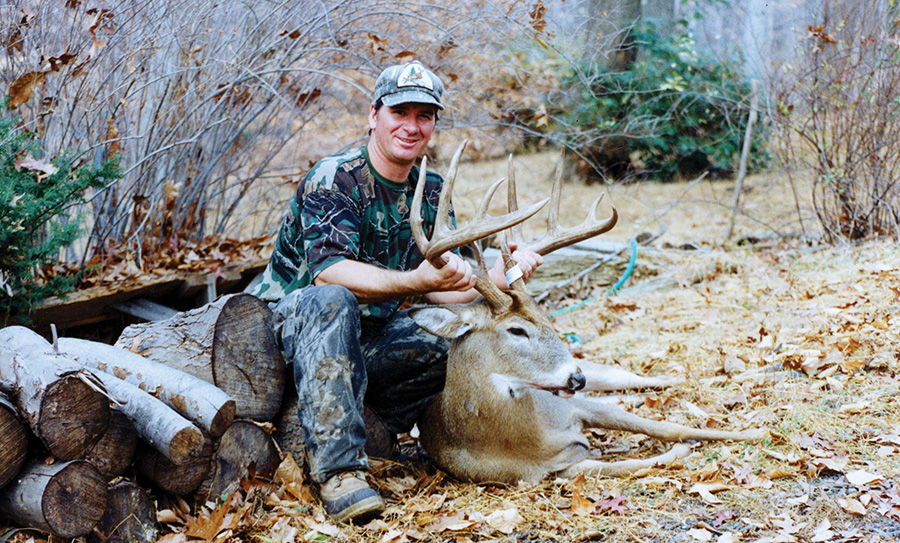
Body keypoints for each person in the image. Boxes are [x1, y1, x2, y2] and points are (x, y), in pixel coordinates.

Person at [251, 61, 543, 524]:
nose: (411, 126)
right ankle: (340, 473)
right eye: (399, 112)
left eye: (424, 115)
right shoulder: (335, 177)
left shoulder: (429, 190)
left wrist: (502, 274)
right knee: (334, 301)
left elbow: (447, 285)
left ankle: (378, 428)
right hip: (285, 335)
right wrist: (413, 283)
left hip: (365, 341)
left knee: (457, 337)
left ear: (433, 124)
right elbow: (329, 275)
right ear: (373, 114)